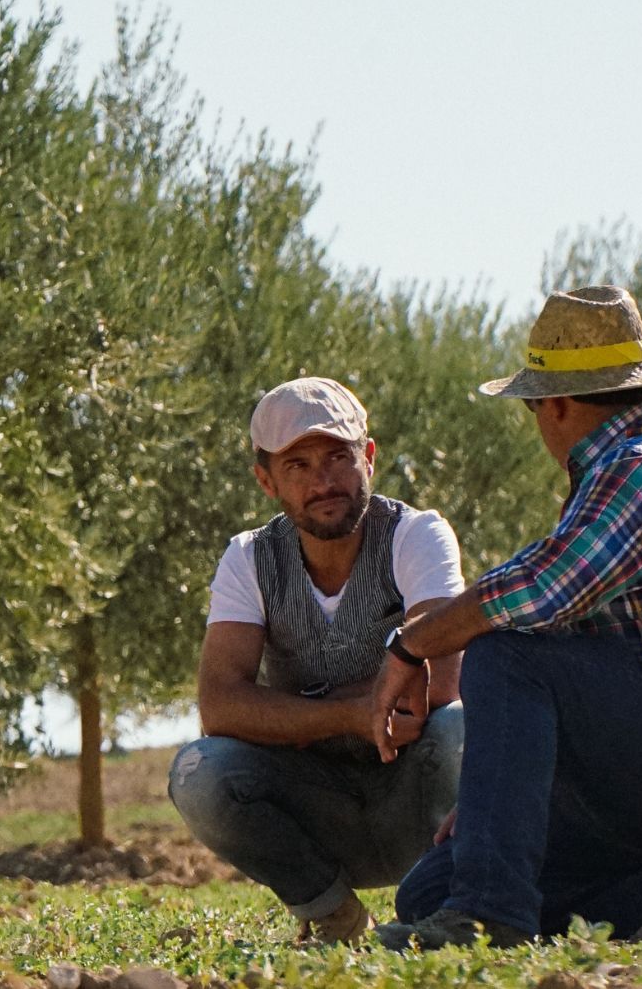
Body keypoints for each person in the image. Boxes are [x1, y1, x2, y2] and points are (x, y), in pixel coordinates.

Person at [371, 285, 642, 949]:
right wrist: (492, 806)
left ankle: (488, 921)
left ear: (558, 405)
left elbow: (537, 593)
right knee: (427, 891)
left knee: (506, 649)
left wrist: (410, 647)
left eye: (533, 407)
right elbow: (584, 659)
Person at [168, 377, 466, 943]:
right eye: (297, 466)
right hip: (318, 807)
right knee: (199, 771)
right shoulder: (249, 559)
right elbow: (221, 705)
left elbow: (441, 683)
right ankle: (332, 913)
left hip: (416, 800)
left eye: (338, 457)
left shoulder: (416, 535)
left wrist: (290, 714)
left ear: (369, 458)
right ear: (266, 480)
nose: (324, 481)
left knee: (460, 728)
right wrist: (352, 713)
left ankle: (451, 908)